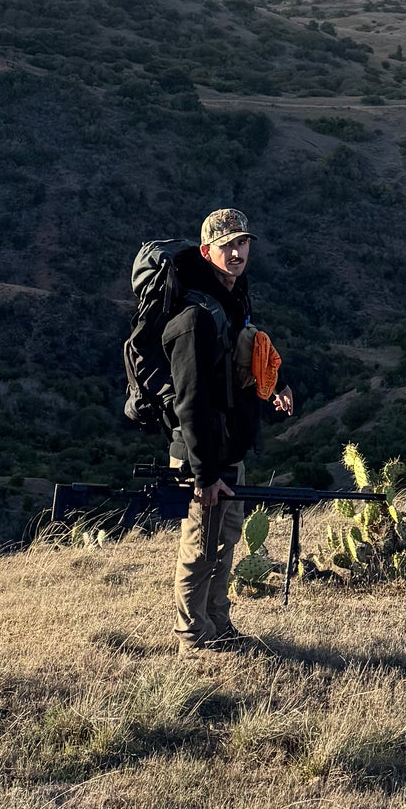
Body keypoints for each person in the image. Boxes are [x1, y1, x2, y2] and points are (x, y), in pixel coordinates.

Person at [147, 208, 294, 652]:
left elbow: (240, 360)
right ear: (206, 250)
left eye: (242, 243)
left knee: (225, 540)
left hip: (228, 448)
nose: (236, 252)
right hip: (201, 454)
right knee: (200, 547)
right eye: (226, 245)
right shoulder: (194, 318)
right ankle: (193, 636)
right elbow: (191, 402)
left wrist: (275, 385)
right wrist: (204, 474)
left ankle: (218, 625)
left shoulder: (233, 298)